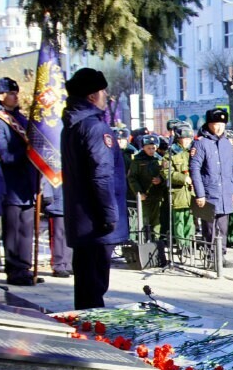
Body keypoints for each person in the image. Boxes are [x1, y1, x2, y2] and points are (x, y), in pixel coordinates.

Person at [61, 67, 129, 309]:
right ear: (92, 96)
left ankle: (87, 330)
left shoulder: (73, 125)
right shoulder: (94, 127)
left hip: (83, 219)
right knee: (94, 286)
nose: (106, 96)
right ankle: (91, 341)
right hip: (96, 221)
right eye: (103, 91)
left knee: (87, 285)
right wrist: (110, 214)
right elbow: (101, 175)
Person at [0, 77, 39, 286]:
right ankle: (14, 269)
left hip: (26, 183)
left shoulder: (20, 119)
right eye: (12, 93)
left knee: (27, 228)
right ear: (1, 96)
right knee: (13, 230)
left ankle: (25, 267)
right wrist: (27, 153)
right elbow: (3, 154)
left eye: (16, 93)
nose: (16, 96)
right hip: (11, 184)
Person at [190, 108, 233, 267]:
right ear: (209, 124)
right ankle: (211, 257)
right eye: (215, 124)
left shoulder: (226, 143)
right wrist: (200, 194)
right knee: (210, 229)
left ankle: (222, 256)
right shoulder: (201, 143)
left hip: (225, 193)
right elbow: (195, 169)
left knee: (223, 228)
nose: (219, 127)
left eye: (222, 124)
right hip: (209, 192)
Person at [161, 126, 196, 254]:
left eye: (188, 139)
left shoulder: (194, 151)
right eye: (183, 139)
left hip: (192, 191)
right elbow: (165, 171)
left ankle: (190, 244)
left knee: (190, 219)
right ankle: (182, 245)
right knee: (179, 220)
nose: (186, 141)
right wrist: (183, 178)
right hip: (178, 191)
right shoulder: (171, 153)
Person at [127, 134, 165, 242]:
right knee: (145, 220)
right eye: (148, 148)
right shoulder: (138, 161)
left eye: (153, 148)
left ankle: (155, 241)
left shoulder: (159, 160)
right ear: (143, 147)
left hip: (156, 195)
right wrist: (139, 192)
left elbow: (165, 175)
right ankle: (144, 241)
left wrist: (160, 180)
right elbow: (132, 178)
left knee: (156, 221)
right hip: (144, 196)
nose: (151, 150)